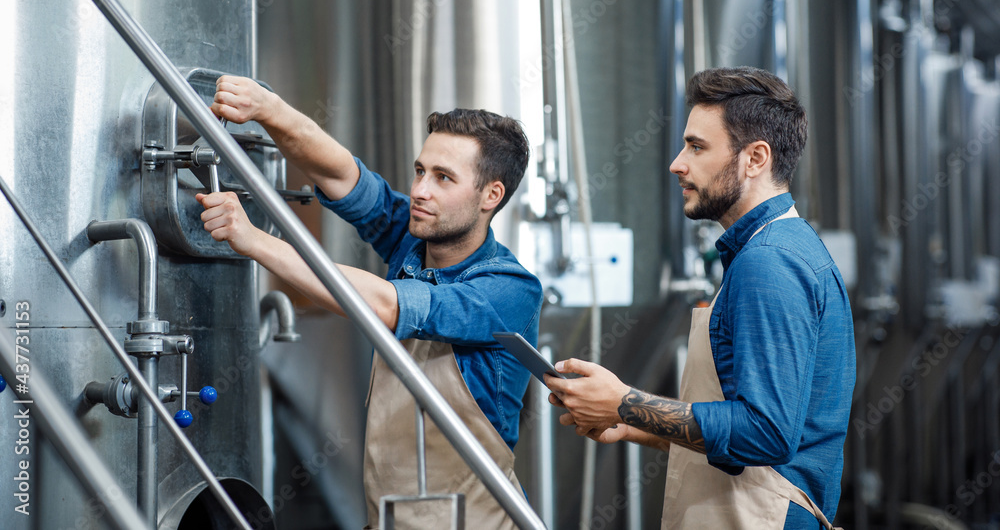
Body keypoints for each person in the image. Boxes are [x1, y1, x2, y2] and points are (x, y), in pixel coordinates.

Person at [196, 75, 542, 529]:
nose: (420, 190)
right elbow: (340, 173)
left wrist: (253, 240)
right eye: (420, 171)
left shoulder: (510, 289)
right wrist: (269, 108)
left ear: (491, 195)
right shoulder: (414, 240)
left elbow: (386, 305)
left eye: (443, 178)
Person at [545, 67, 855, 529]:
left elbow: (767, 434)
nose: (677, 163)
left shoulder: (768, 262)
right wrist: (637, 425)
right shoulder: (772, 248)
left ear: (755, 159)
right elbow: (746, 436)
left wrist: (626, 401)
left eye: (696, 146)